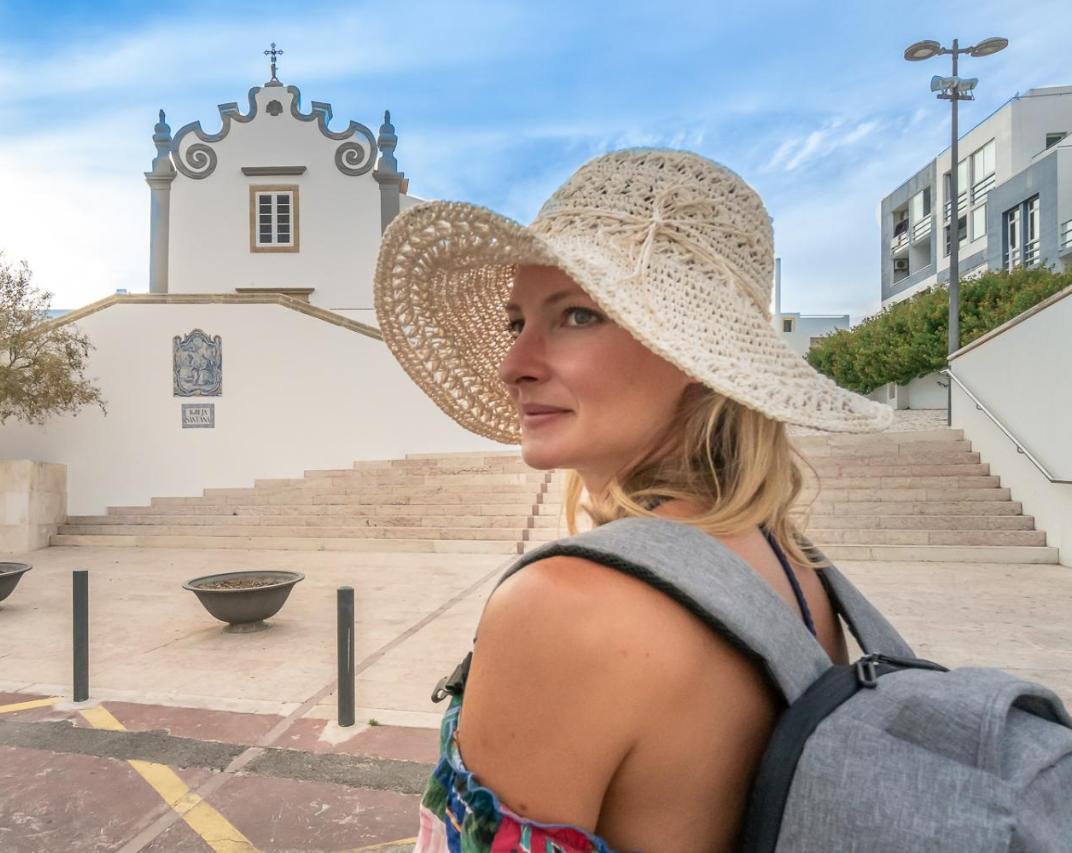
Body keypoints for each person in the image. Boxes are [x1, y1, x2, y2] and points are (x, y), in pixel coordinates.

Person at [372, 148, 893, 852]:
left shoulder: (565, 605)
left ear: (694, 354)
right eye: (514, 322)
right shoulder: (794, 567)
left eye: (577, 314)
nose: (513, 365)